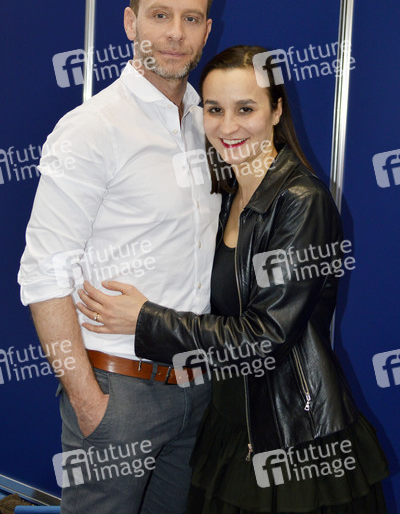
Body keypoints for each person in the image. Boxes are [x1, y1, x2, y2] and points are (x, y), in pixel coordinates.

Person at [78, 45, 389, 514]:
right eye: (214, 109)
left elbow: (265, 338)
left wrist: (146, 320)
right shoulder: (225, 197)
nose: (227, 126)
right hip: (229, 421)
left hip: (292, 433)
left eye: (246, 109)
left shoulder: (301, 201)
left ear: (276, 111)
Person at [18, 0, 221, 514]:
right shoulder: (91, 130)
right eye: (159, 15)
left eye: (191, 18)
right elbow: (42, 275)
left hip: (196, 388)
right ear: (131, 23)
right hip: (117, 393)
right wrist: (89, 403)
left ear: (207, 30)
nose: (175, 33)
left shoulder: (209, 124)